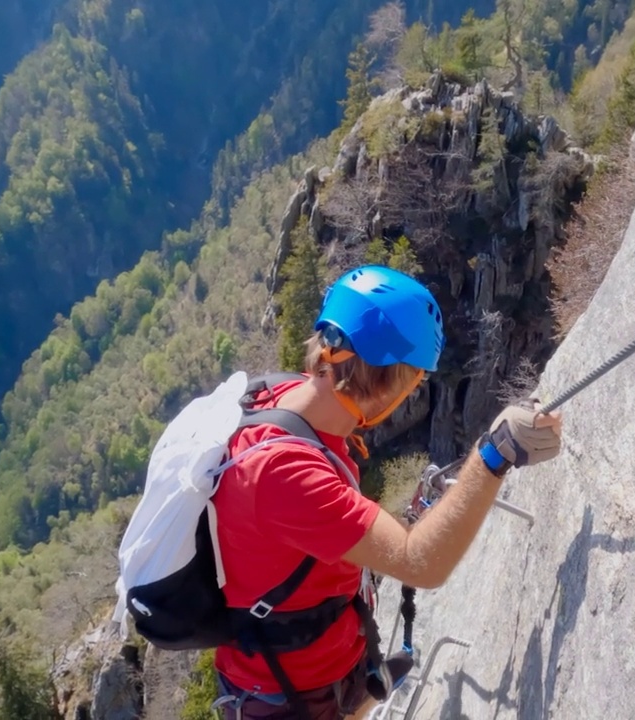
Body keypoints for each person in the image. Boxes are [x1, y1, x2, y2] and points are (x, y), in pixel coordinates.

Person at [210, 265, 563, 720]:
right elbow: (421, 563)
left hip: (309, 664)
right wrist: (495, 455)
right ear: (397, 379)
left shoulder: (279, 396)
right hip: (290, 696)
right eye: (416, 379)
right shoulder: (285, 473)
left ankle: (365, 692)